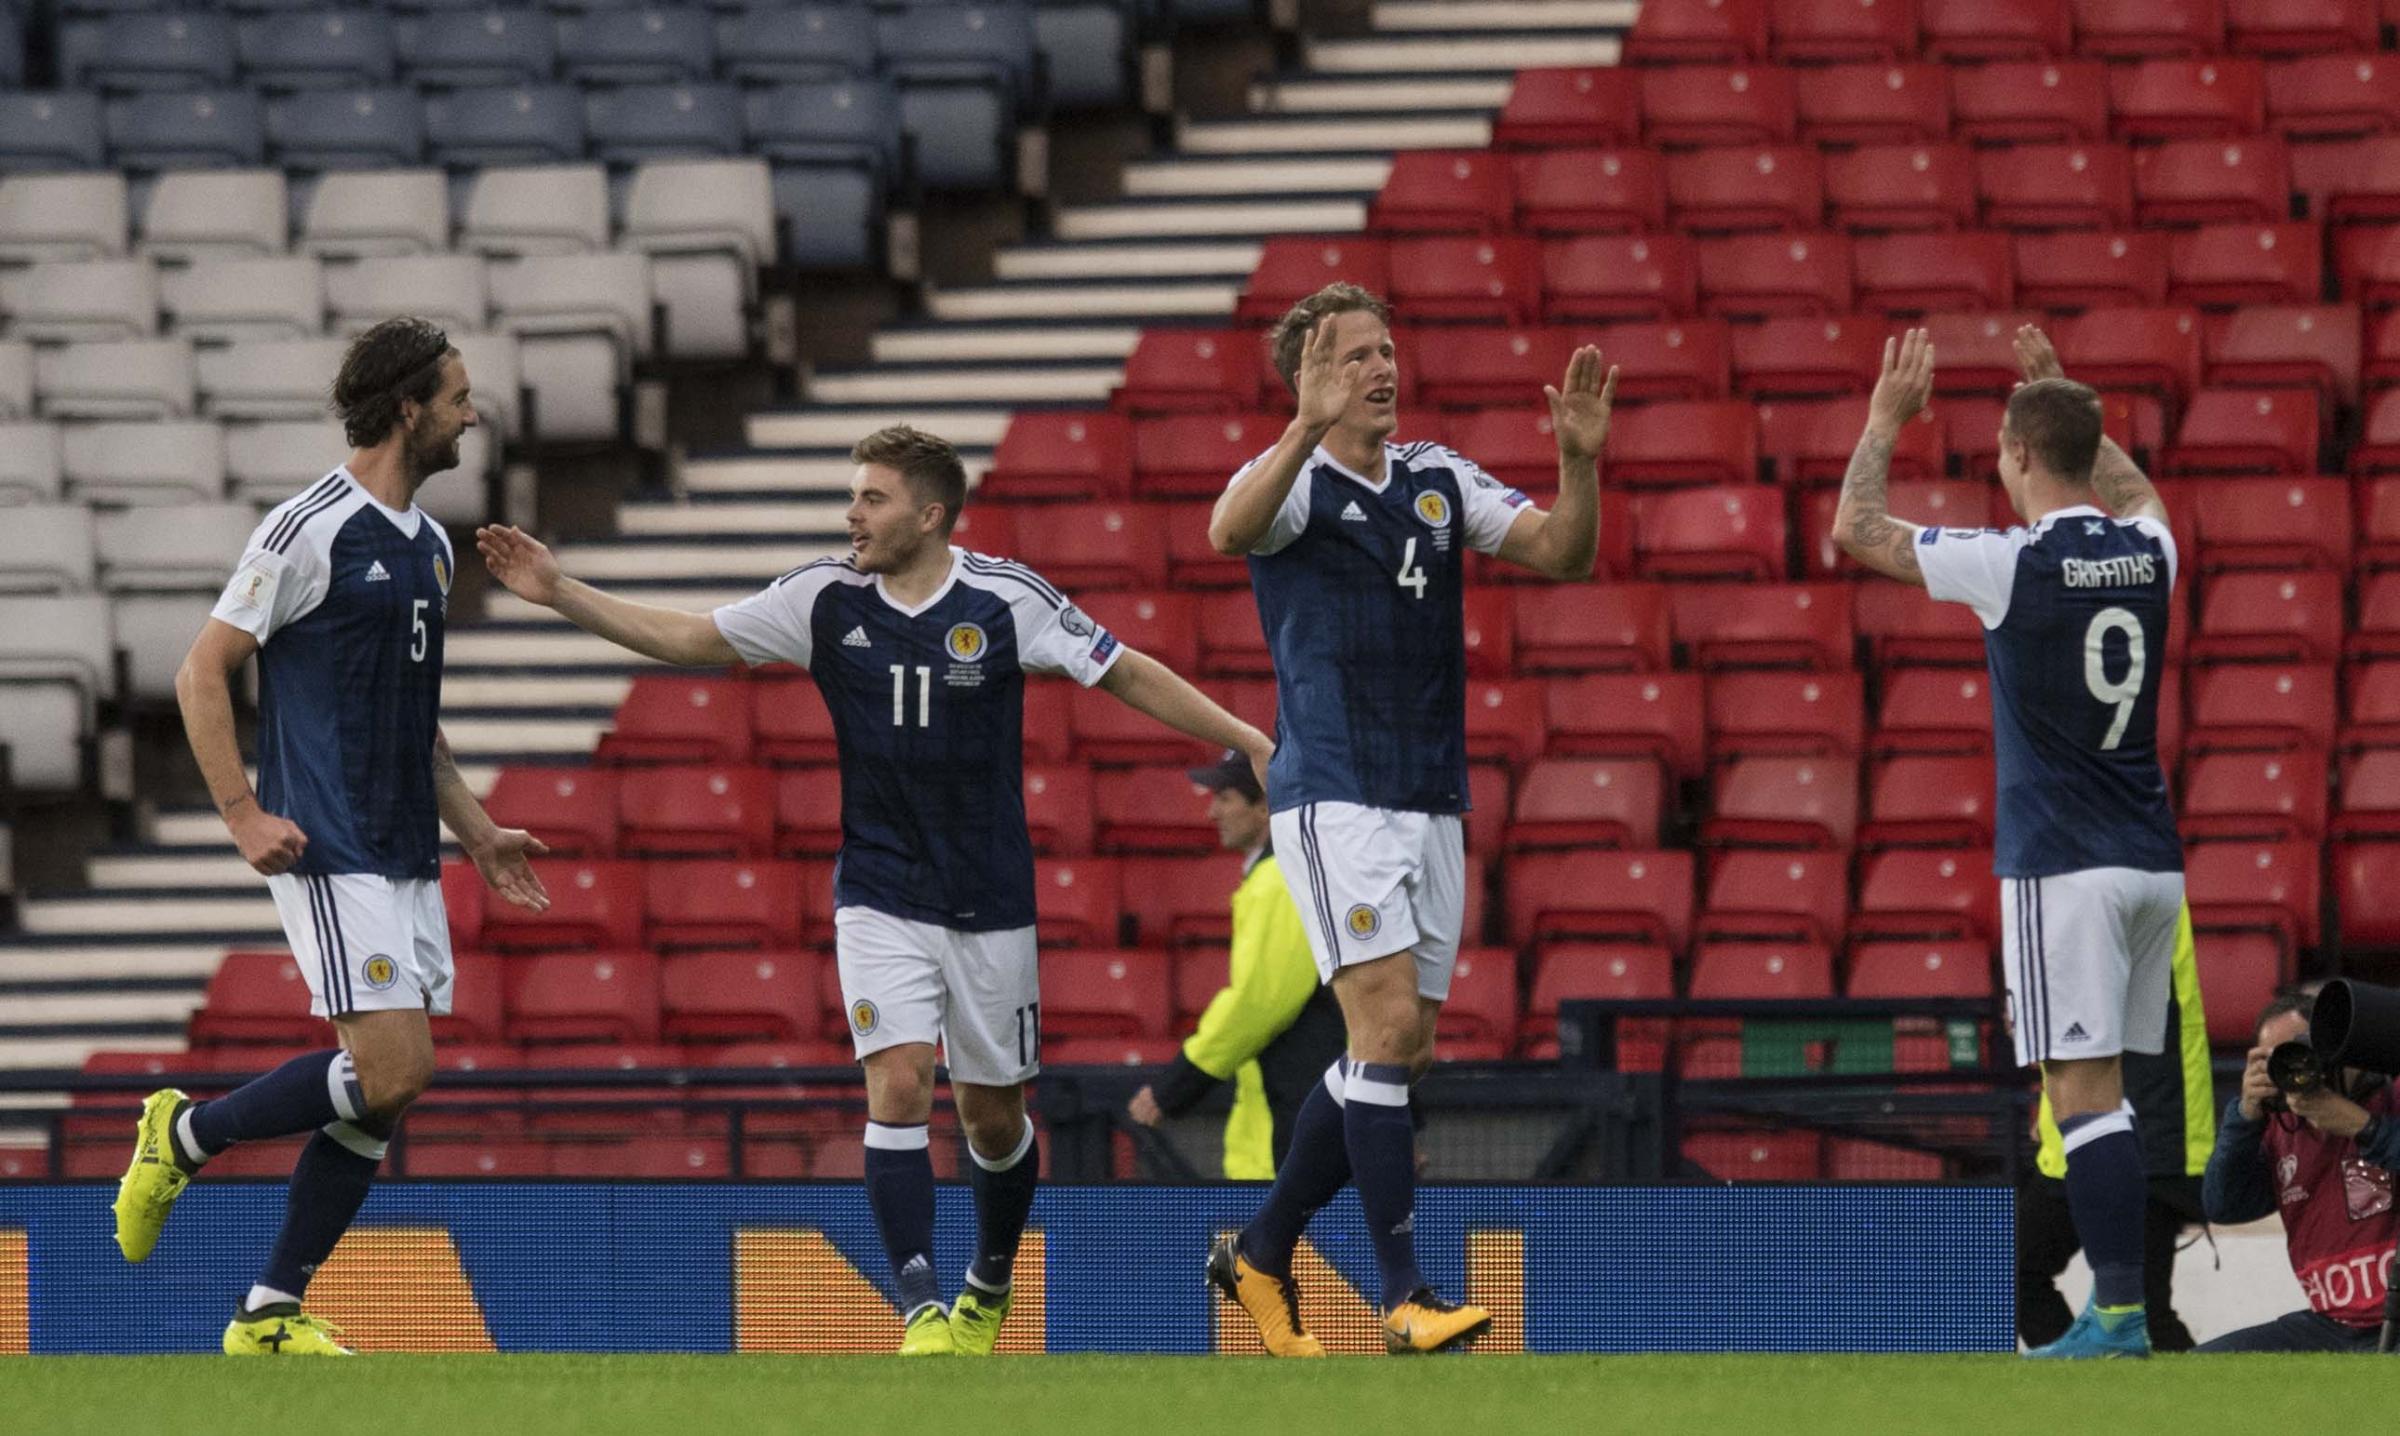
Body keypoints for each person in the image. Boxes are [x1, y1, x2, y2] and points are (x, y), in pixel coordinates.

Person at [477, 424, 1272, 1357]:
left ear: (929, 515)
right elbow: (693, 639)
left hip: (990, 901)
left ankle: (990, 1280)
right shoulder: (823, 596)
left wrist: (1247, 738)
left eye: (872, 498)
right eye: (852, 495)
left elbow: (1124, 670)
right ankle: (921, 1307)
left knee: (993, 1116)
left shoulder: (1007, 599)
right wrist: (559, 591)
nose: (851, 514)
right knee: (897, 1084)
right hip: (879, 891)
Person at [117, 317, 551, 1356]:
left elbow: (418, 721)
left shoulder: (431, 551)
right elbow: (201, 670)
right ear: (408, 408)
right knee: (395, 1068)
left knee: (390, 1086)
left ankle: (268, 1311)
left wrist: (479, 830)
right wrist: (240, 813)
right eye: (456, 397)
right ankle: (182, 1133)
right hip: (329, 840)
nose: (471, 413)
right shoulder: (307, 527)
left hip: (406, 843)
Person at [1206, 282, 1615, 1357]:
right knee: (1383, 1030)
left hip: (1431, 793)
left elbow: (1562, 552)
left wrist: (1579, 459)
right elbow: (1227, 527)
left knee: (1404, 1048)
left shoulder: (1437, 476)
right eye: (1352, 357)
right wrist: (1300, 424)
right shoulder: (1293, 483)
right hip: (1332, 788)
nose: (1381, 369)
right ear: (1309, 379)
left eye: (1386, 349)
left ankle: (1260, 1246)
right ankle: (1404, 1294)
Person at [1832, 325, 2184, 1359]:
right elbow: (2139, 497)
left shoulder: (2011, 561)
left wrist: (1883, 421)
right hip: (2152, 859)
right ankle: (2118, 1307)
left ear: (2020, 455)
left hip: (2063, 863)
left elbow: (1858, 527)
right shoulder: (2150, 550)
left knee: (2082, 1099)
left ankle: (2117, 1312)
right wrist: (2070, 407)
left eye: (2003, 444)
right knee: (2110, 1093)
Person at [1127, 749, 1343, 1178]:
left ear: (1264, 807)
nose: (1212, 812)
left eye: (1225, 798)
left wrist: (1176, 1086)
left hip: (1295, 1116)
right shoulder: (1290, 872)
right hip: (1307, 1106)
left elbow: (1260, 1002)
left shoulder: (1279, 880)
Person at [2018, 907, 2217, 1351]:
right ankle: (2088, 1385)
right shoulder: (2103, 879)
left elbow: (2094, 1004)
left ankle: (2198, 1411)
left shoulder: (2118, 884)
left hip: (2141, 1130)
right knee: (2014, 1271)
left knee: (2142, 1313)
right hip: (2088, 1129)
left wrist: (2037, 1029)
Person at [2196, 988, 2400, 1352]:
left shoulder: (2390, 1096)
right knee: (2202, 1368)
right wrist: (2244, 1114)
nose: (2293, 1067)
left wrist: (2362, 1126)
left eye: (2300, 1050)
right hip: (2330, 1327)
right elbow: (2224, 1205)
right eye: (2273, 1060)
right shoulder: (2277, 1129)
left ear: (2334, 1047)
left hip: (2394, 1320)